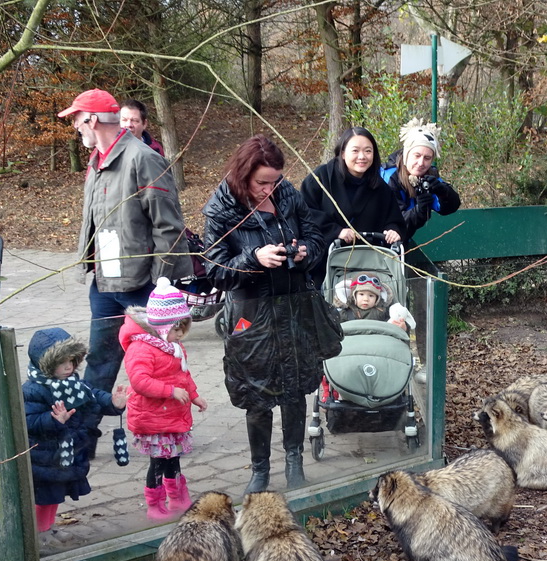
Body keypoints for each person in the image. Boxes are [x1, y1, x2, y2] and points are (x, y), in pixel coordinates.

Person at [57, 88, 190, 454]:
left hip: (141, 286)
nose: (75, 128)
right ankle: (83, 435)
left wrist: (161, 280)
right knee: (99, 360)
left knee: (155, 365)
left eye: (76, 120)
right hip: (105, 282)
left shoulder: (143, 159)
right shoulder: (96, 160)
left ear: (92, 120)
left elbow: (169, 226)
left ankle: (167, 437)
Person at [203, 135, 326, 492]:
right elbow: (214, 271)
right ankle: (259, 470)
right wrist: (253, 259)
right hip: (251, 312)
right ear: (243, 174)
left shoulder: (288, 193)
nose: (269, 189)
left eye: (275, 180)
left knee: (295, 387)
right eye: (261, 182)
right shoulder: (221, 208)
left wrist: (305, 250)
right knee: (256, 391)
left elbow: (316, 235)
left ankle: (294, 462)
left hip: (294, 305)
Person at [119, 277, 208, 521]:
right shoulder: (141, 348)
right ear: (163, 327)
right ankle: (155, 502)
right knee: (157, 462)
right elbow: (139, 381)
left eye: (183, 330)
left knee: (174, 461)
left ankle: (178, 497)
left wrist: (195, 396)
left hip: (173, 416)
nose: (181, 335)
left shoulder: (175, 348)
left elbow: (184, 375)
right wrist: (170, 391)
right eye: (177, 329)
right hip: (153, 417)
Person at [22, 328, 127, 533]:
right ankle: (37, 533)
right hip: (45, 455)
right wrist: (53, 420)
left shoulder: (72, 383)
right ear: (46, 363)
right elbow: (29, 420)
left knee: (55, 496)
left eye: (72, 361)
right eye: (62, 363)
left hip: (64, 453)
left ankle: (48, 528)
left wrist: (112, 402)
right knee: (44, 497)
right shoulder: (33, 389)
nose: (69, 367)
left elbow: (92, 395)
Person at [380, 118, 461, 365]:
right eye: (416, 156)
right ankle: (386, 358)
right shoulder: (389, 177)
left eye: (427, 158)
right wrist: (421, 211)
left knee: (420, 303)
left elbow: (451, 206)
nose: (421, 163)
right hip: (380, 246)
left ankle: (421, 362)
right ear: (406, 153)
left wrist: (441, 190)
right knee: (387, 302)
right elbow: (395, 225)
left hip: (405, 246)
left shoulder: (428, 175)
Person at [300, 127, 405, 287]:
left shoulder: (380, 187)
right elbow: (305, 214)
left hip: (368, 270)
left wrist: (392, 230)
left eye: (368, 151)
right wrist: (336, 231)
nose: (362, 157)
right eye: (355, 151)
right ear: (342, 153)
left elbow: (393, 219)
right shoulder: (320, 179)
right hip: (325, 267)